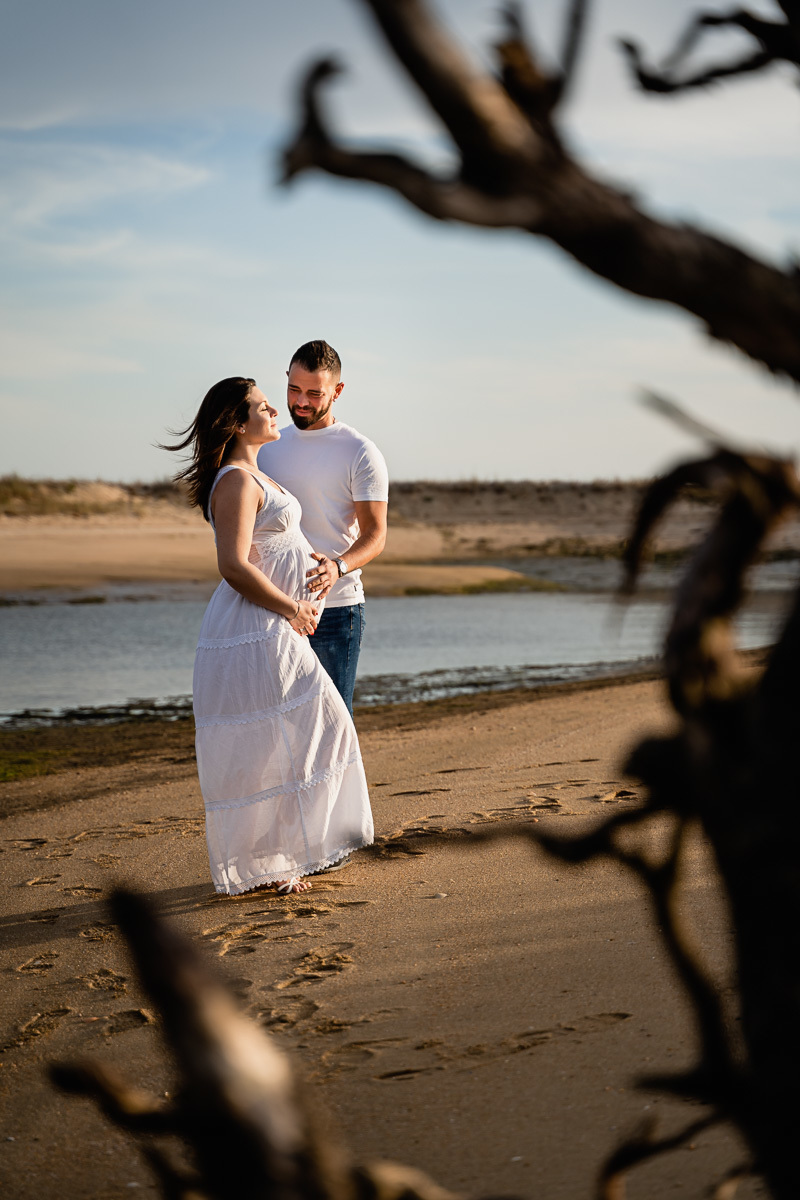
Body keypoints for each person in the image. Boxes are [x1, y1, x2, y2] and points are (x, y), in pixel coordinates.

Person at [165, 376, 374, 895]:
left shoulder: (257, 475)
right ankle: (274, 860)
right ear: (238, 424)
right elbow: (233, 565)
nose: (275, 411)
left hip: (274, 624)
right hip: (255, 627)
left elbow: (275, 547)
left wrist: (317, 572)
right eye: (263, 407)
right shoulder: (236, 481)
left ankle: (279, 855)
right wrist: (293, 608)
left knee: (303, 734)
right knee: (297, 733)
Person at [258, 340, 388, 716]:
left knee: (331, 723)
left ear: (337, 391)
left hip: (334, 612)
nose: (301, 402)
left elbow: (375, 535)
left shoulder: (360, 451)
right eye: (294, 389)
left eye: (314, 394)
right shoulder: (267, 447)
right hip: (275, 609)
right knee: (279, 725)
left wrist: (337, 567)